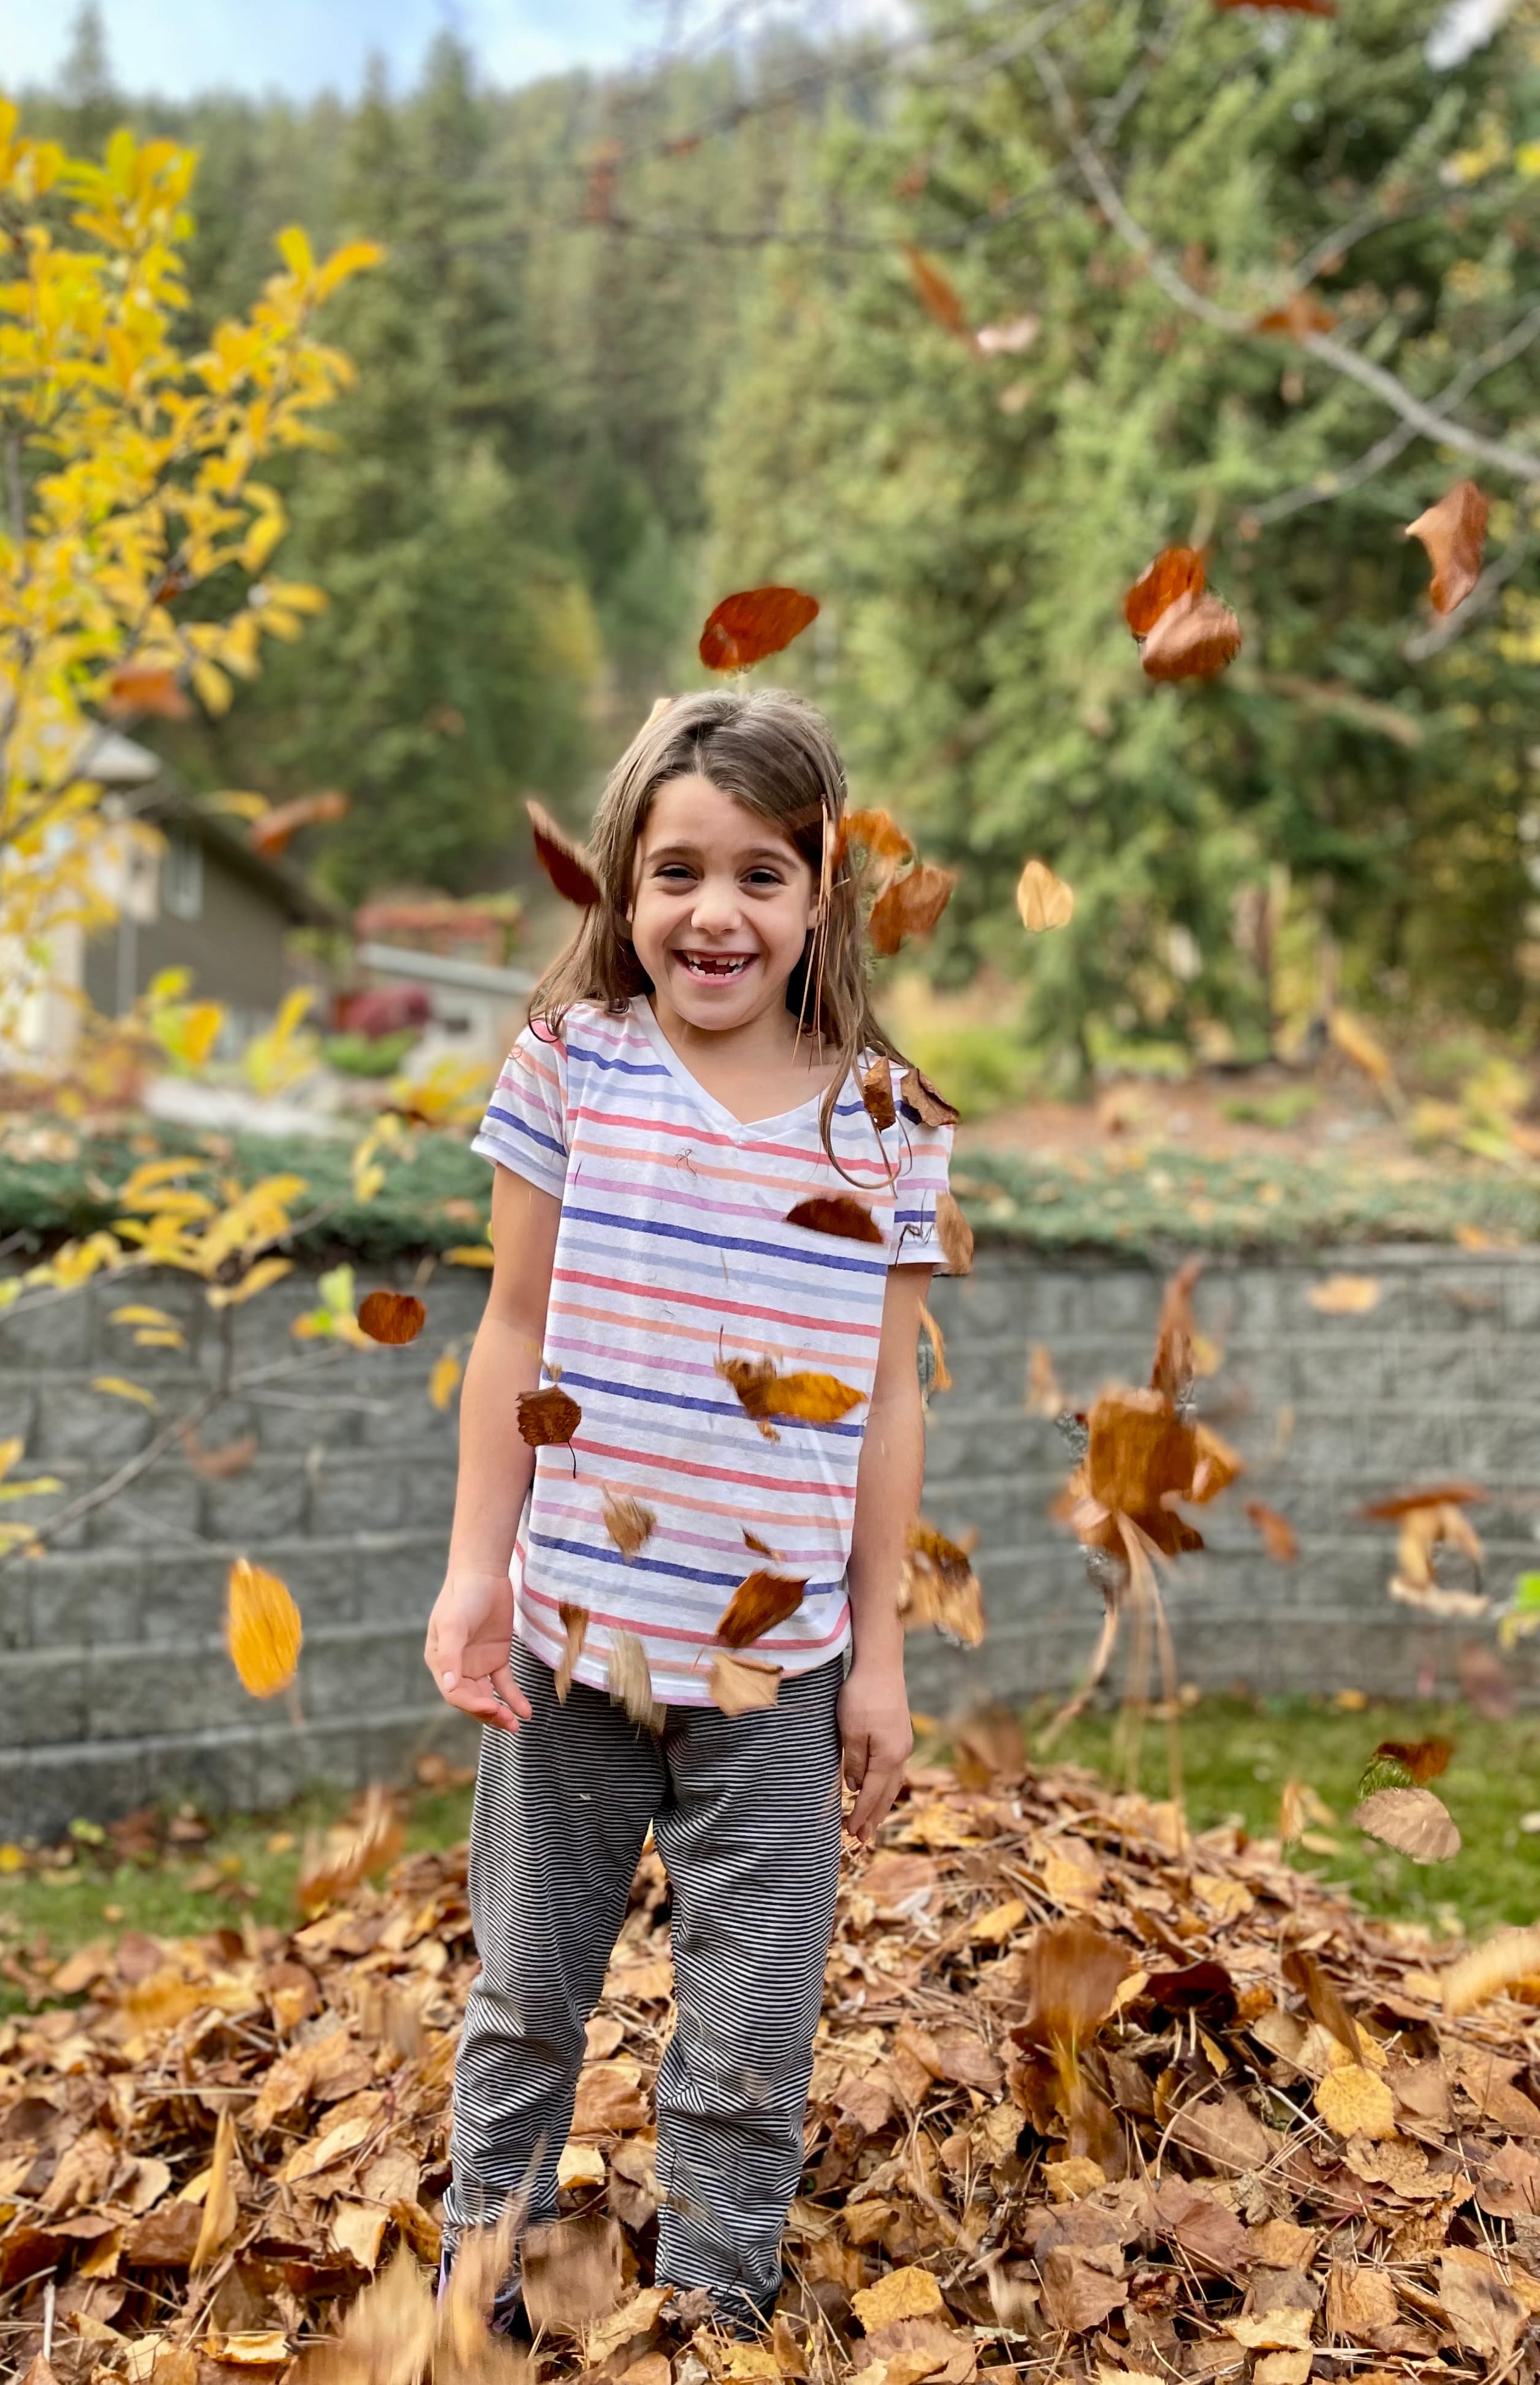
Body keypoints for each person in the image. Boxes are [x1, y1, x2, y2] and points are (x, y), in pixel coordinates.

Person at [424, 686, 953, 2339]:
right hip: (572, 1642)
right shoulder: (572, 1069)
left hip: (779, 1673)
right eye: (675, 874)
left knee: (750, 2017)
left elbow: (885, 1403)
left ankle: (711, 2312)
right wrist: (473, 1576)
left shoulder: (883, 1121)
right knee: (525, 1995)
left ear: (818, 898)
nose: (713, 913)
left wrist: (879, 1658)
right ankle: (481, 2300)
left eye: (759, 876)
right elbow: (511, 1331)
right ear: (619, 889)